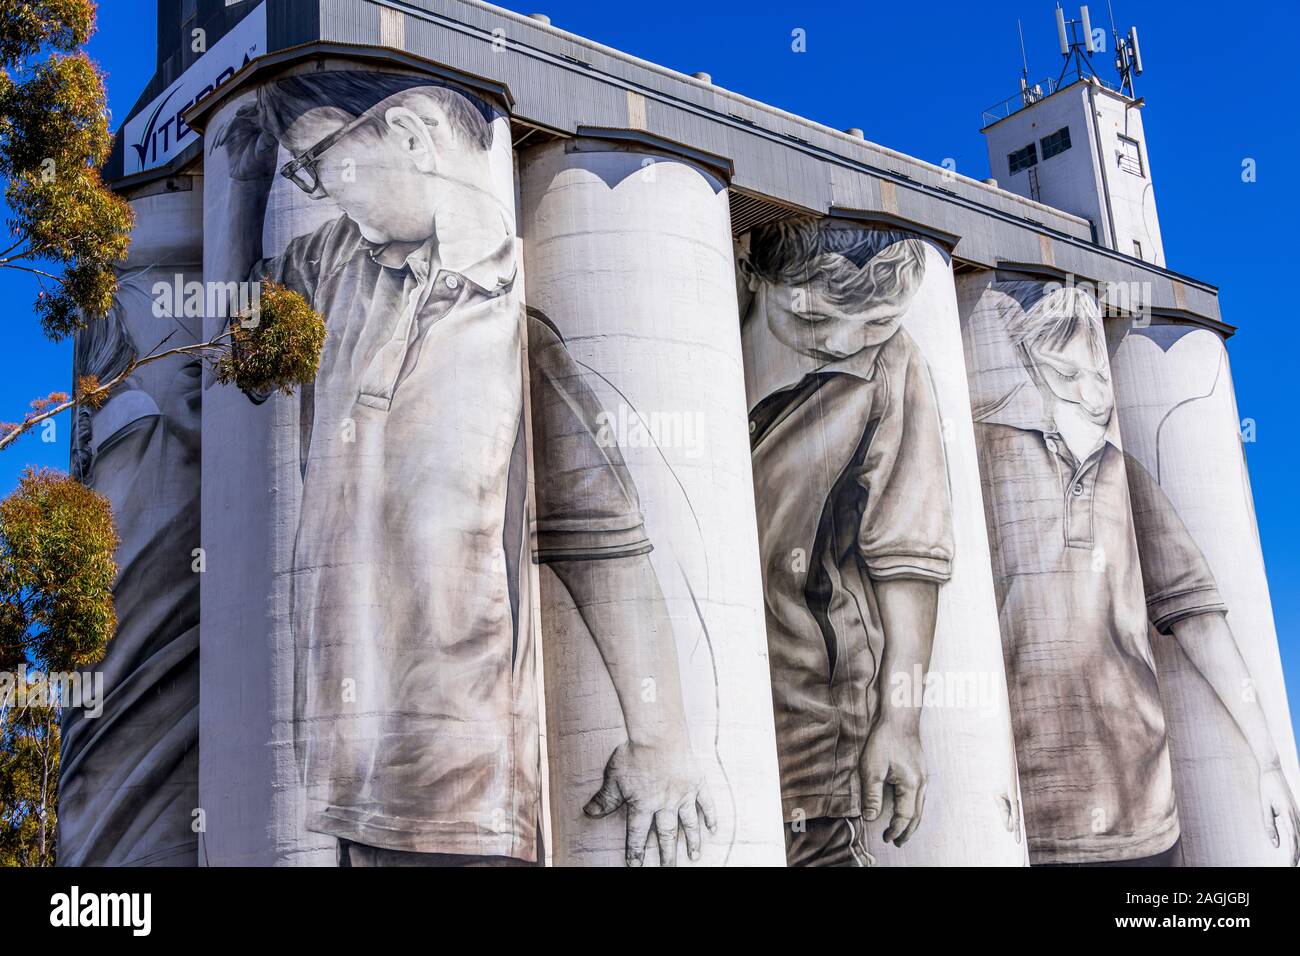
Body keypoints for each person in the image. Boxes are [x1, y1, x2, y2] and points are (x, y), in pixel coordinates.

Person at [215, 70, 711, 866]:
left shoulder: (516, 320)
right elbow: (244, 355)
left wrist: (660, 741)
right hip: (352, 786)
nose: (321, 192)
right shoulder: (336, 265)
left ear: (412, 136)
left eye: (322, 166)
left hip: (467, 795)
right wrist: (242, 191)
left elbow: (600, 541)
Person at [968, 280, 1299, 865]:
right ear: (1031, 371)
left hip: (1148, 817)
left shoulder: (1124, 475)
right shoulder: (986, 454)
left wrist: (1269, 765)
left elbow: (1197, 616)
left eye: (1097, 374)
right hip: (1036, 819)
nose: (1094, 397)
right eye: (1066, 377)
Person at [738, 218, 954, 866]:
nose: (840, 344)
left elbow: (907, 553)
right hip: (697, 712)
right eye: (812, 320)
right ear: (751, 275)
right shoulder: (691, 307)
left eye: (872, 325)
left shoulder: (895, 362)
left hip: (814, 729)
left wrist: (901, 721)